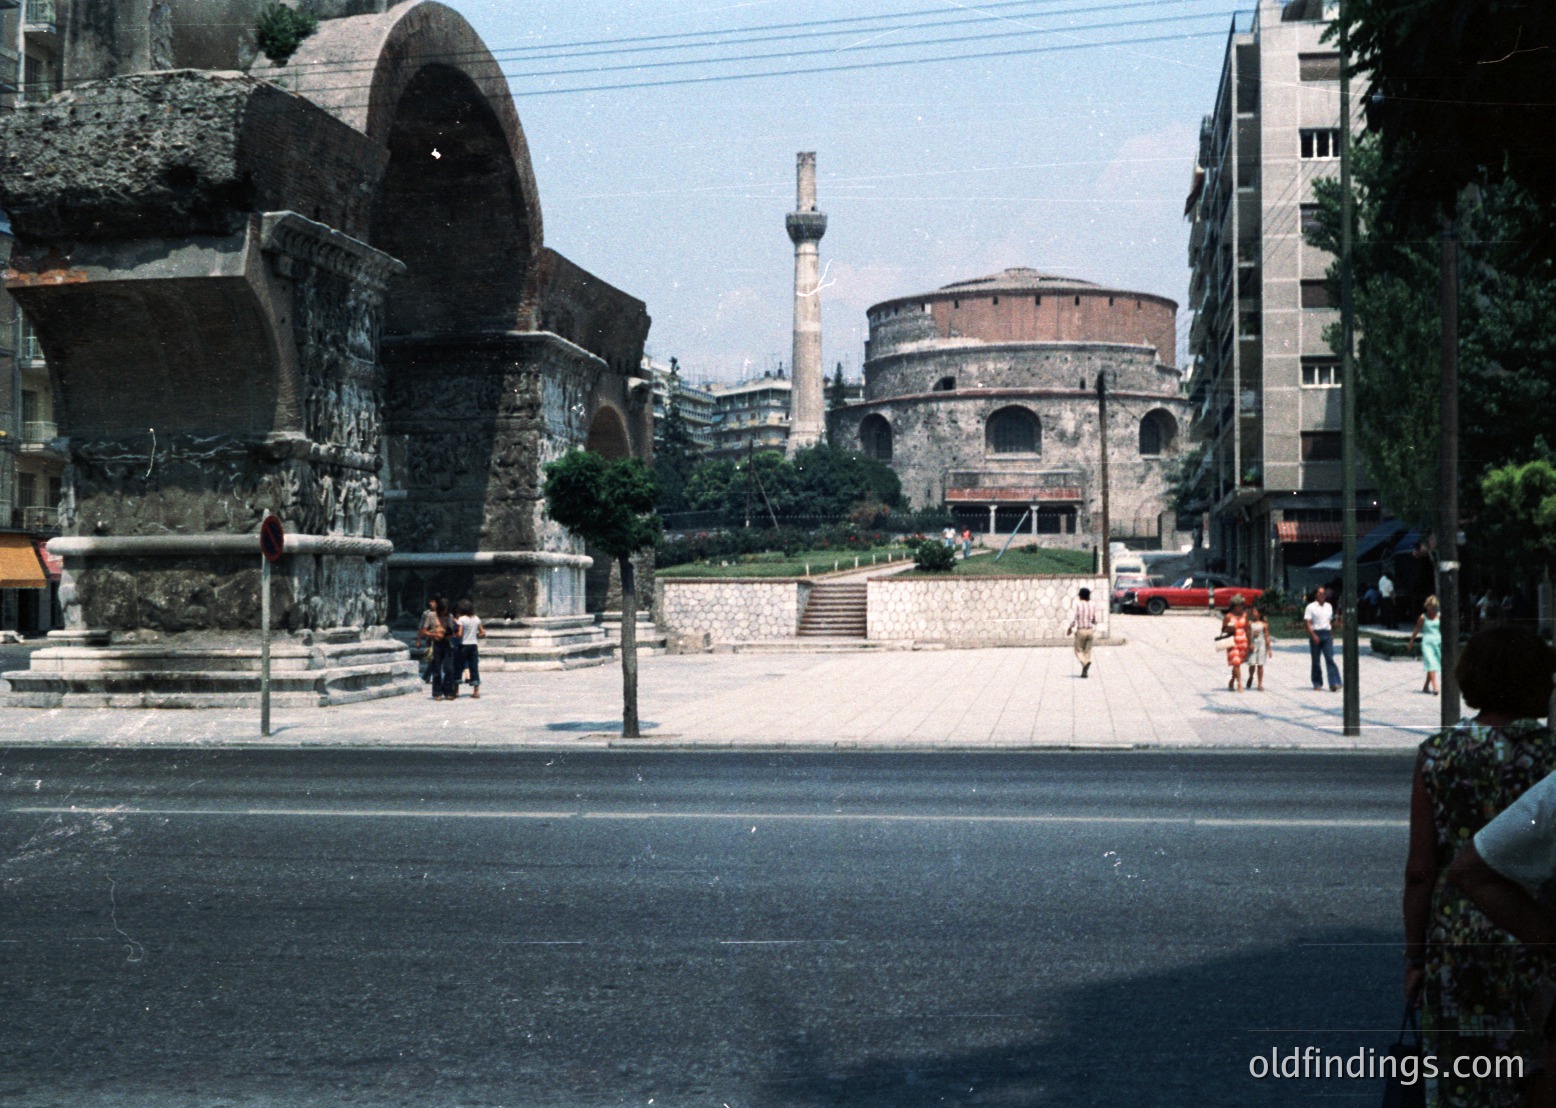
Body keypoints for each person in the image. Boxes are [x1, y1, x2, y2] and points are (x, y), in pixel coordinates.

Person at [1403, 627, 1556, 1108]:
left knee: (1461, 1078)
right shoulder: (1550, 758)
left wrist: (1414, 957)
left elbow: (1421, 871)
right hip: (1538, 935)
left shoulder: (1437, 754)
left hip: (1457, 941)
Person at [1304, 586, 1342, 691]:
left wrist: (1331, 634)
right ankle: (1317, 683)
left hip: (1326, 635)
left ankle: (1334, 682)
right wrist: (1313, 635)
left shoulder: (1329, 606)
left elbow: (1329, 621)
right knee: (1316, 660)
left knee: (1330, 658)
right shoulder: (1310, 607)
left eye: (1324, 594)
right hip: (1316, 633)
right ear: (1316, 595)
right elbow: (1307, 622)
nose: (1322, 596)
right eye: (1320, 594)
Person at [419, 596, 457, 701]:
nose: (444, 613)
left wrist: (447, 634)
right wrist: (434, 635)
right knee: (436, 669)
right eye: (443, 611)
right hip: (436, 643)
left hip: (447, 644)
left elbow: (451, 631)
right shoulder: (431, 616)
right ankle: (437, 692)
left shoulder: (449, 617)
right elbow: (424, 631)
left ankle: (448, 690)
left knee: (449, 668)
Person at [1409, 595, 1443, 696]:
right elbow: (1416, 629)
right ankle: (1435, 687)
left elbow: (1443, 629)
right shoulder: (1422, 617)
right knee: (1431, 663)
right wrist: (1411, 641)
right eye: (1431, 608)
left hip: (1437, 642)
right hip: (1427, 643)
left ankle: (1425, 686)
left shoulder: (1439, 616)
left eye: (1435, 608)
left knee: (1433, 665)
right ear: (1427, 606)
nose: (1433, 610)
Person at [455, 597, 486, 699]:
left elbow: (459, 633)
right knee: (474, 668)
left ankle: (456, 691)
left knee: (459, 667)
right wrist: (475, 635)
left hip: (463, 645)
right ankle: (476, 691)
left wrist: (455, 635)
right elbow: (482, 632)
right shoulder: (476, 619)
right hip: (473, 645)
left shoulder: (461, 619)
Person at [1066, 587, 1099, 679]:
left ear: (1080, 596)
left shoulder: (1078, 605)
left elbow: (1074, 618)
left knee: (1078, 650)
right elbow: (1095, 620)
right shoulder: (1092, 605)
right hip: (1090, 630)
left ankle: (1085, 663)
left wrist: (1070, 628)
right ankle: (1084, 671)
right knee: (1087, 651)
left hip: (1081, 630)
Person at [1221, 595, 1250, 692]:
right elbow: (1223, 629)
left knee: (1237, 664)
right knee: (1236, 662)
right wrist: (1229, 628)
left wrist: (1250, 644)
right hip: (1232, 642)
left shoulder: (1245, 615)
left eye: (1242, 605)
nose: (1242, 607)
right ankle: (1239, 684)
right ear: (1235, 605)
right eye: (1240, 605)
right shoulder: (1228, 616)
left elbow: (1247, 630)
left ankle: (1232, 680)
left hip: (1243, 642)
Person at [414, 596, 441, 687]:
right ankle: (427, 676)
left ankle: (429, 676)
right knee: (432, 658)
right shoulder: (426, 613)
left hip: (441, 638)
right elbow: (421, 627)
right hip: (430, 638)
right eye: (430, 602)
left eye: (433, 602)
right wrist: (418, 640)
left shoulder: (442, 612)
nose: (431, 604)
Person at [1245, 605, 1271, 692]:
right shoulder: (1250, 623)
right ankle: (1251, 676)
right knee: (1252, 664)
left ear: (1259, 614)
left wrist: (1269, 649)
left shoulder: (1264, 625)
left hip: (1261, 645)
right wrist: (1249, 644)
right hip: (1252, 645)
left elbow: (1267, 637)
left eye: (1255, 611)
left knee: (1260, 665)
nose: (1253, 613)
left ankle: (1259, 684)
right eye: (1253, 611)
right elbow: (1247, 634)